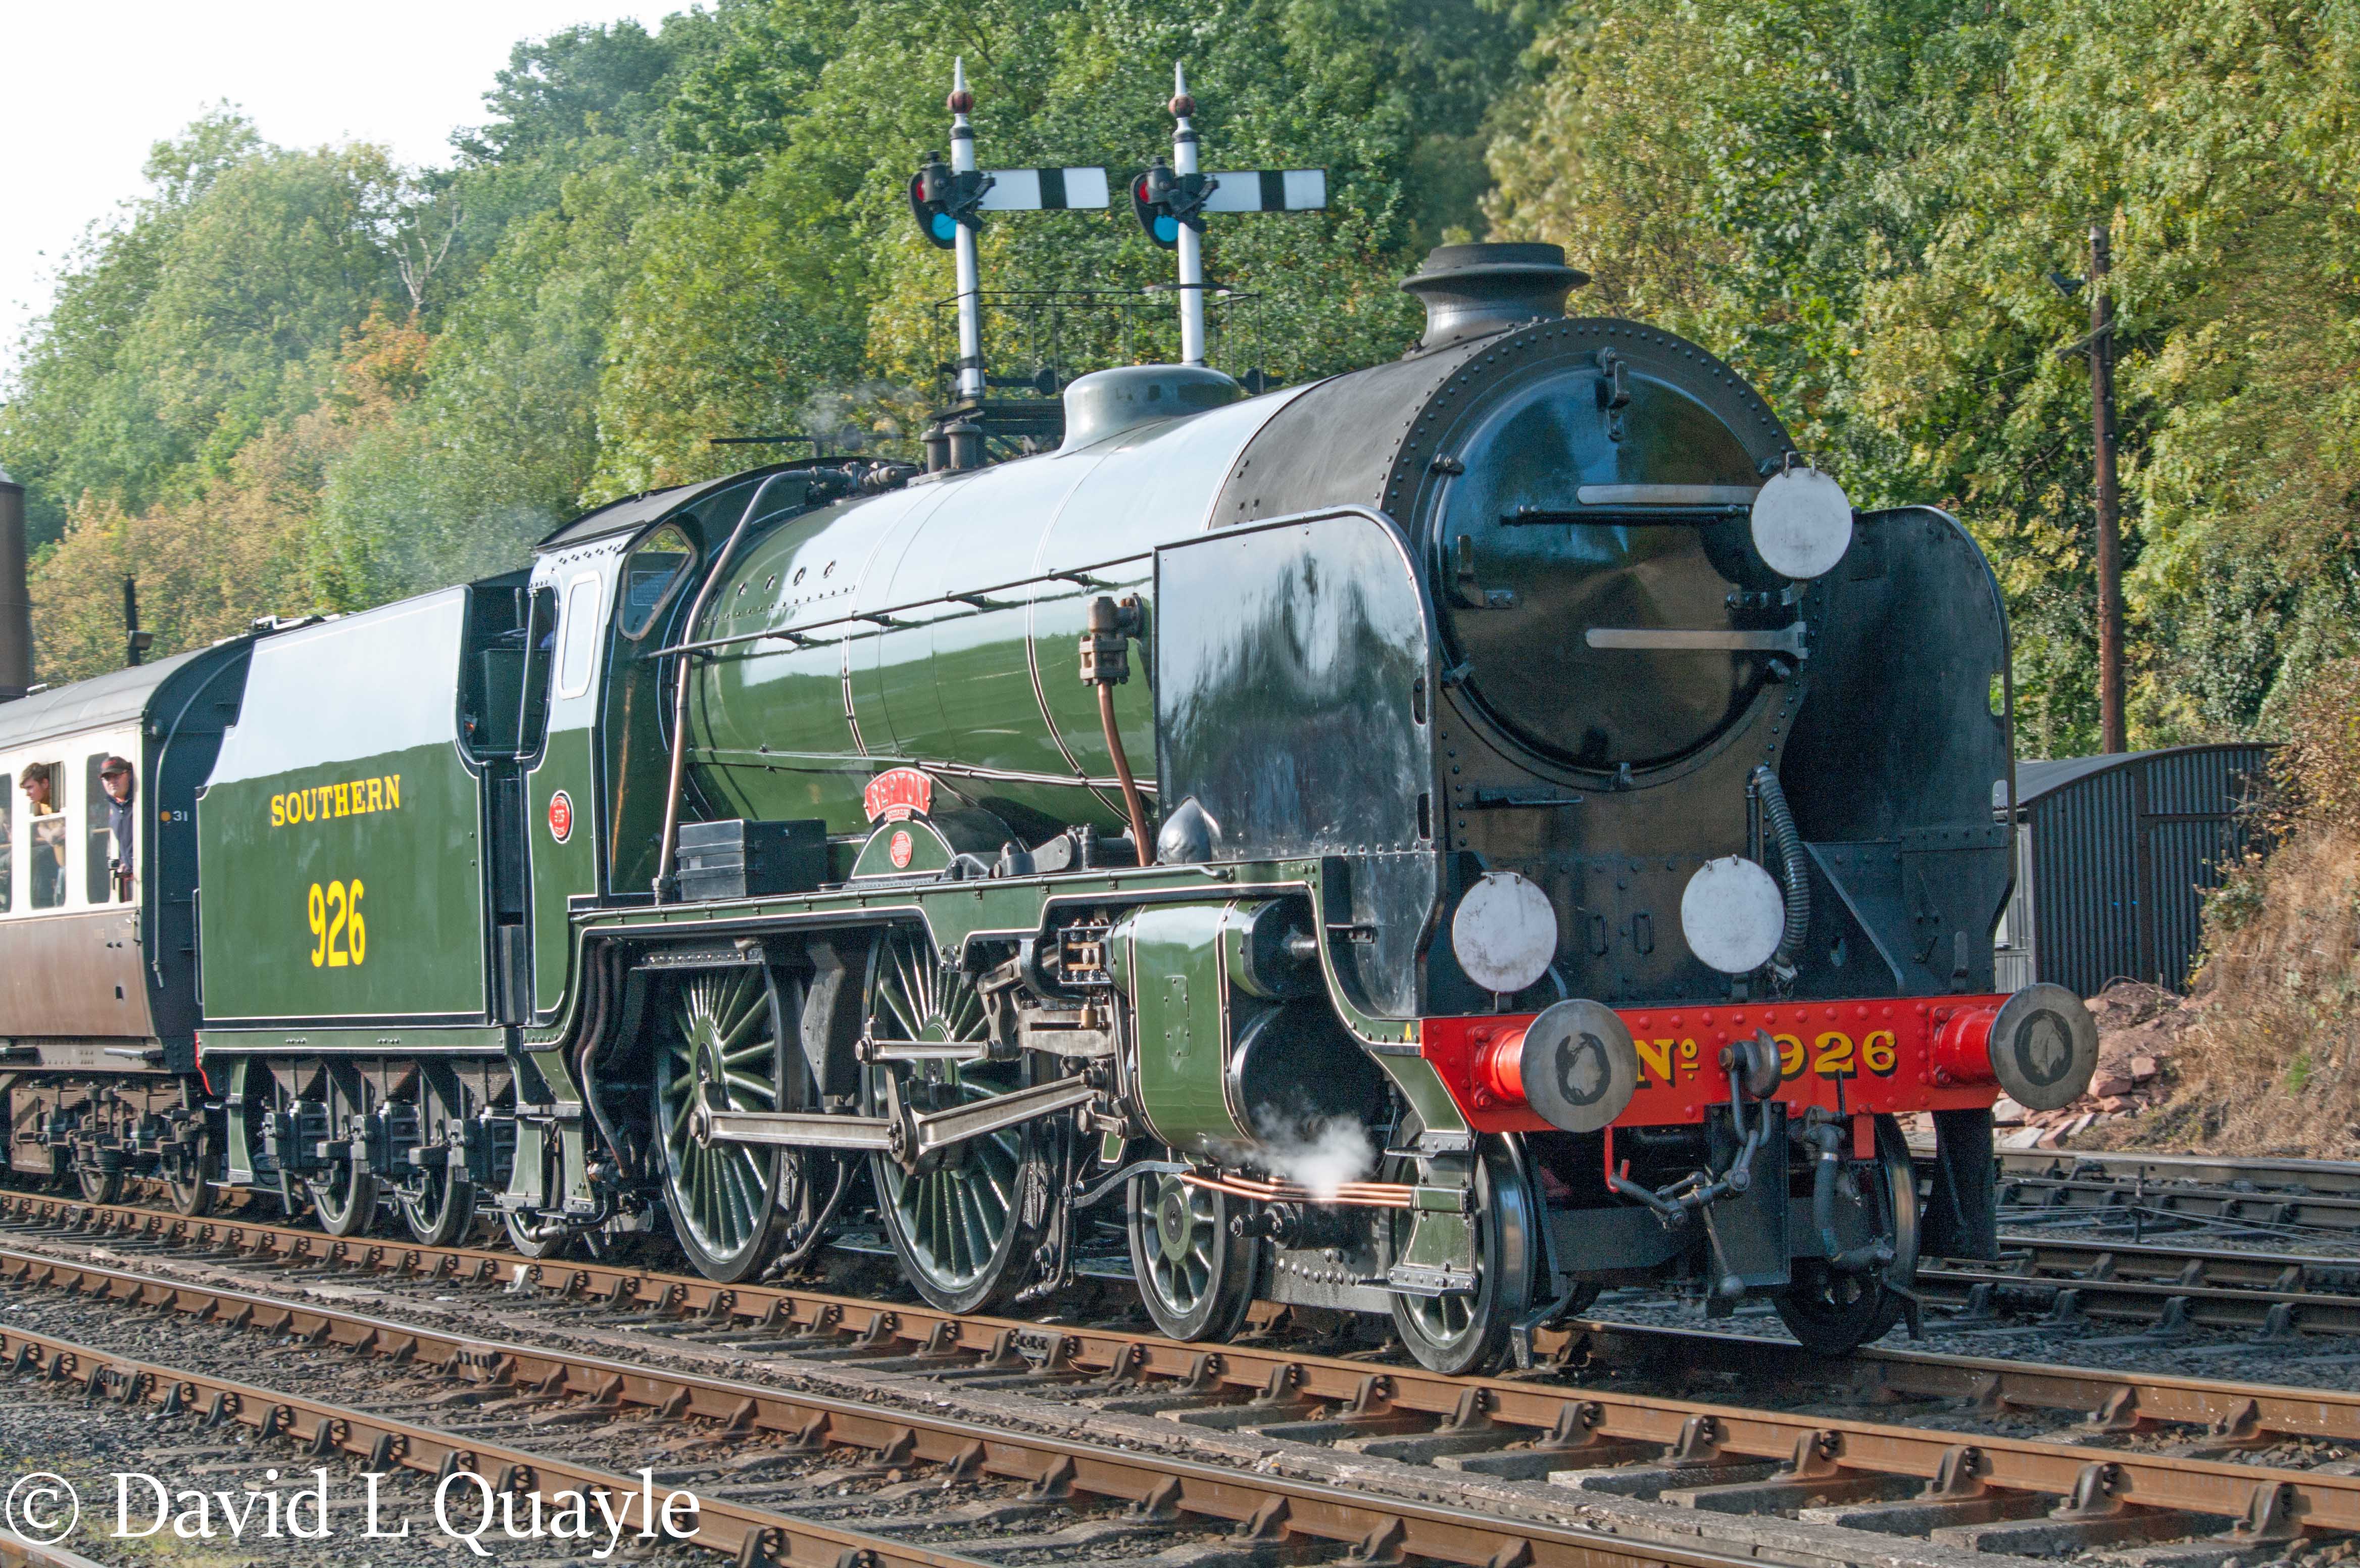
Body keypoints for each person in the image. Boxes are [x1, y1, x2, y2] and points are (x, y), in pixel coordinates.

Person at [19, 765, 64, 907]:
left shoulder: (63, 797)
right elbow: (40, 826)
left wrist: (59, 831)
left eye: (30, 788)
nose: (28, 794)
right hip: (59, 861)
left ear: (45, 783)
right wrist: (49, 834)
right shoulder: (39, 804)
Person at [100, 756, 134, 901]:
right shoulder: (114, 807)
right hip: (131, 881)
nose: (112, 782)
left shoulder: (138, 802)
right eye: (108, 778)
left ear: (129, 775)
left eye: (117, 776)